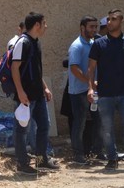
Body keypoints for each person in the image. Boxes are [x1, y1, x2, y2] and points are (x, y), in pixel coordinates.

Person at [86, 9, 124, 171]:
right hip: (105, 94)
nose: (109, 22)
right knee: (107, 128)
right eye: (108, 19)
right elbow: (91, 69)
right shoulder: (99, 44)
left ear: (121, 21)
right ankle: (111, 159)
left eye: (113, 19)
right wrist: (90, 88)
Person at [11, 12, 60, 175]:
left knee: (44, 126)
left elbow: (36, 71)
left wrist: (45, 87)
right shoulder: (22, 42)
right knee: (22, 130)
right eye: (44, 23)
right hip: (26, 96)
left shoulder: (36, 42)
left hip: (38, 95)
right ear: (37, 25)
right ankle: (22, 163)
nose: (46, 26)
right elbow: (14, 68)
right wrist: (20, 92)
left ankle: (41, 159)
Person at [67, 15, 102, 165]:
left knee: (98, 121)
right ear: (83, 28)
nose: (94, 29)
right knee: (80, 123)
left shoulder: (94, 43)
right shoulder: (77, 46)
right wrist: (89, 83)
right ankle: (78, 155)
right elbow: (74, 68)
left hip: (92, 90)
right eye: (91, 27)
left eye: (96, 26)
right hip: (79, 91)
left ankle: (97, 151)